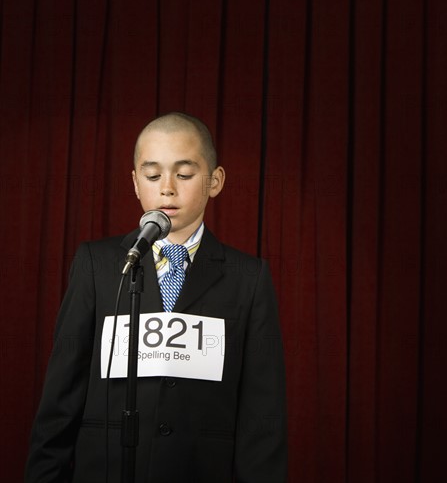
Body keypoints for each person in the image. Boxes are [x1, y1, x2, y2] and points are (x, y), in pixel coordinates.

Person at [25, 113, 287, 482]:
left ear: (215, 181)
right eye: (152, 176)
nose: (167, 188)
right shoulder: (96, 264)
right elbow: (61, 394)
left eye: (183, 174)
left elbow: (263, 409)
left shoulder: (249, 277)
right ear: (135, 183)